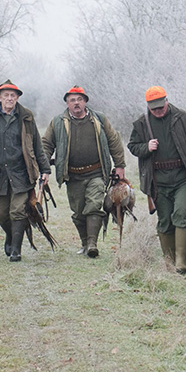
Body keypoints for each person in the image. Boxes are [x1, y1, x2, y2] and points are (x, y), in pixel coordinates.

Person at [128, 86, 186, 274]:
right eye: (153, 109)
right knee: (165, 220)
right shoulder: (140, 124)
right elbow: (132, 146)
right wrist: (146, 147)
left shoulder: (183, 117)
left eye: (160, 107)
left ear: (167, 101)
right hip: (157, 180)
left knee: (182, 214)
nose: (158, 111)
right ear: (148, 106)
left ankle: (181, 262)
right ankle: (168, 262)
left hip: (183, 176)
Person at [42, 85, 126, 258]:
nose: (76, 103)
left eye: (80, 99)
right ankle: (84, 242)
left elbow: (114, 141)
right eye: (72, 100)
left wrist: (120, 166)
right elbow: (46, 145)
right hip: (72, 175)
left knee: (94, 205)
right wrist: (44, 169)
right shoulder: (58, 122)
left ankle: (93, 245)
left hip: (96, 172)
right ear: (67, 103)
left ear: (86, 101)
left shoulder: (99, 119)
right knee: (79, 212)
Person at [0, 79, 50, 262]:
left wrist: (45, 169)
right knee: (1, 213)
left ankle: (16, 250)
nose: (9, 98)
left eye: (13, 95)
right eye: (6, 95)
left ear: (17, 98)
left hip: (21, 173)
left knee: (18, 211)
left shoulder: (26, 117)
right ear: (0, 97)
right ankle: (11, 235)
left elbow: (37, 145)